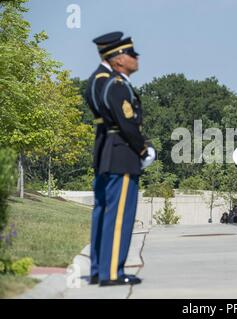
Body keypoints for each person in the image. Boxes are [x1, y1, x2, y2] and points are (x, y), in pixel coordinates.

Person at [96, 35, 155, 286]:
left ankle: (113, 270)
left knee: (122, 216)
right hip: (122, 157)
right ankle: (110, 272)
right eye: (132, 54)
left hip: (121, 156)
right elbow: (126, 124)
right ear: (119, 60)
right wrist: (144, 150)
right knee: (119, 216)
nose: (137, 58)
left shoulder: (120, 84)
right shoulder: (118, 86)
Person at [84, 31, 123, 285]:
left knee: (102, 209)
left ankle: (99, 266)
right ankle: (105, 269)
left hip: (104, 148)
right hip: (111, 149)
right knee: (109, 210)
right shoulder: (104, 80)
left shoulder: (99, 78)